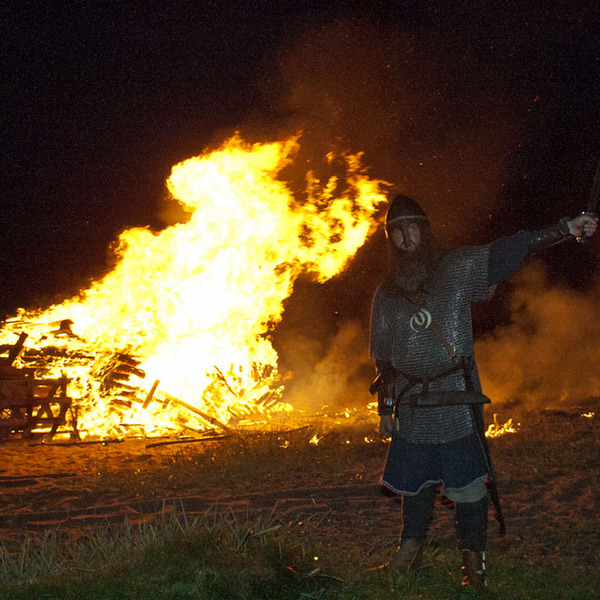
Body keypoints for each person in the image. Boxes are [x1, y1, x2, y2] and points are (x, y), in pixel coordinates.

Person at [369, 194, 597, 589]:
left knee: (468, 487)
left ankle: (473, 564)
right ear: (391, 240)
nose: (406, 238)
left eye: (412, 229)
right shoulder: (386, 296)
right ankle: (410, 551)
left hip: (455, 396)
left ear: (424, 230)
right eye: (398, 233)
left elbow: (507, 252)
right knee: (415, 483)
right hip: (413, 402)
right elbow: (384, 361)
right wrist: (386, 408)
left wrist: (566, 229)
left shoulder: (456, 268)